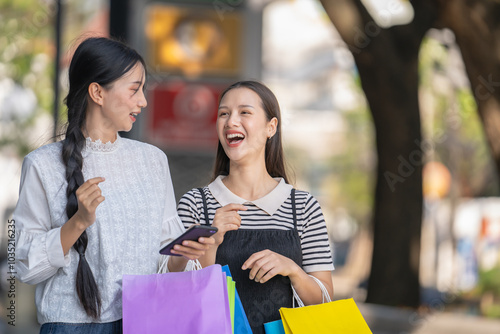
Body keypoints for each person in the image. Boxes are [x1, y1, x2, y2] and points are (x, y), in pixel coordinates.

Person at [13, 37, 213, 333]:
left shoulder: (152, 161)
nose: (143, 101)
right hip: (70, 326)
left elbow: (163, 261)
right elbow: (26, 266)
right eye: (134, 89)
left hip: (146, 321)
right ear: (97, 92)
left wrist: (183, 254)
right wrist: (78, 222)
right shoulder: (42, 164)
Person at [177, 80, 335, 334]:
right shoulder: (195, 204)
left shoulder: (303, 207)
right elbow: (184, 298)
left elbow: (323, 301)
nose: (231, 122)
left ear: (271, 127)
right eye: (224, 113)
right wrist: (212, 241)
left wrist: (293, 270)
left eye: (245, 112)